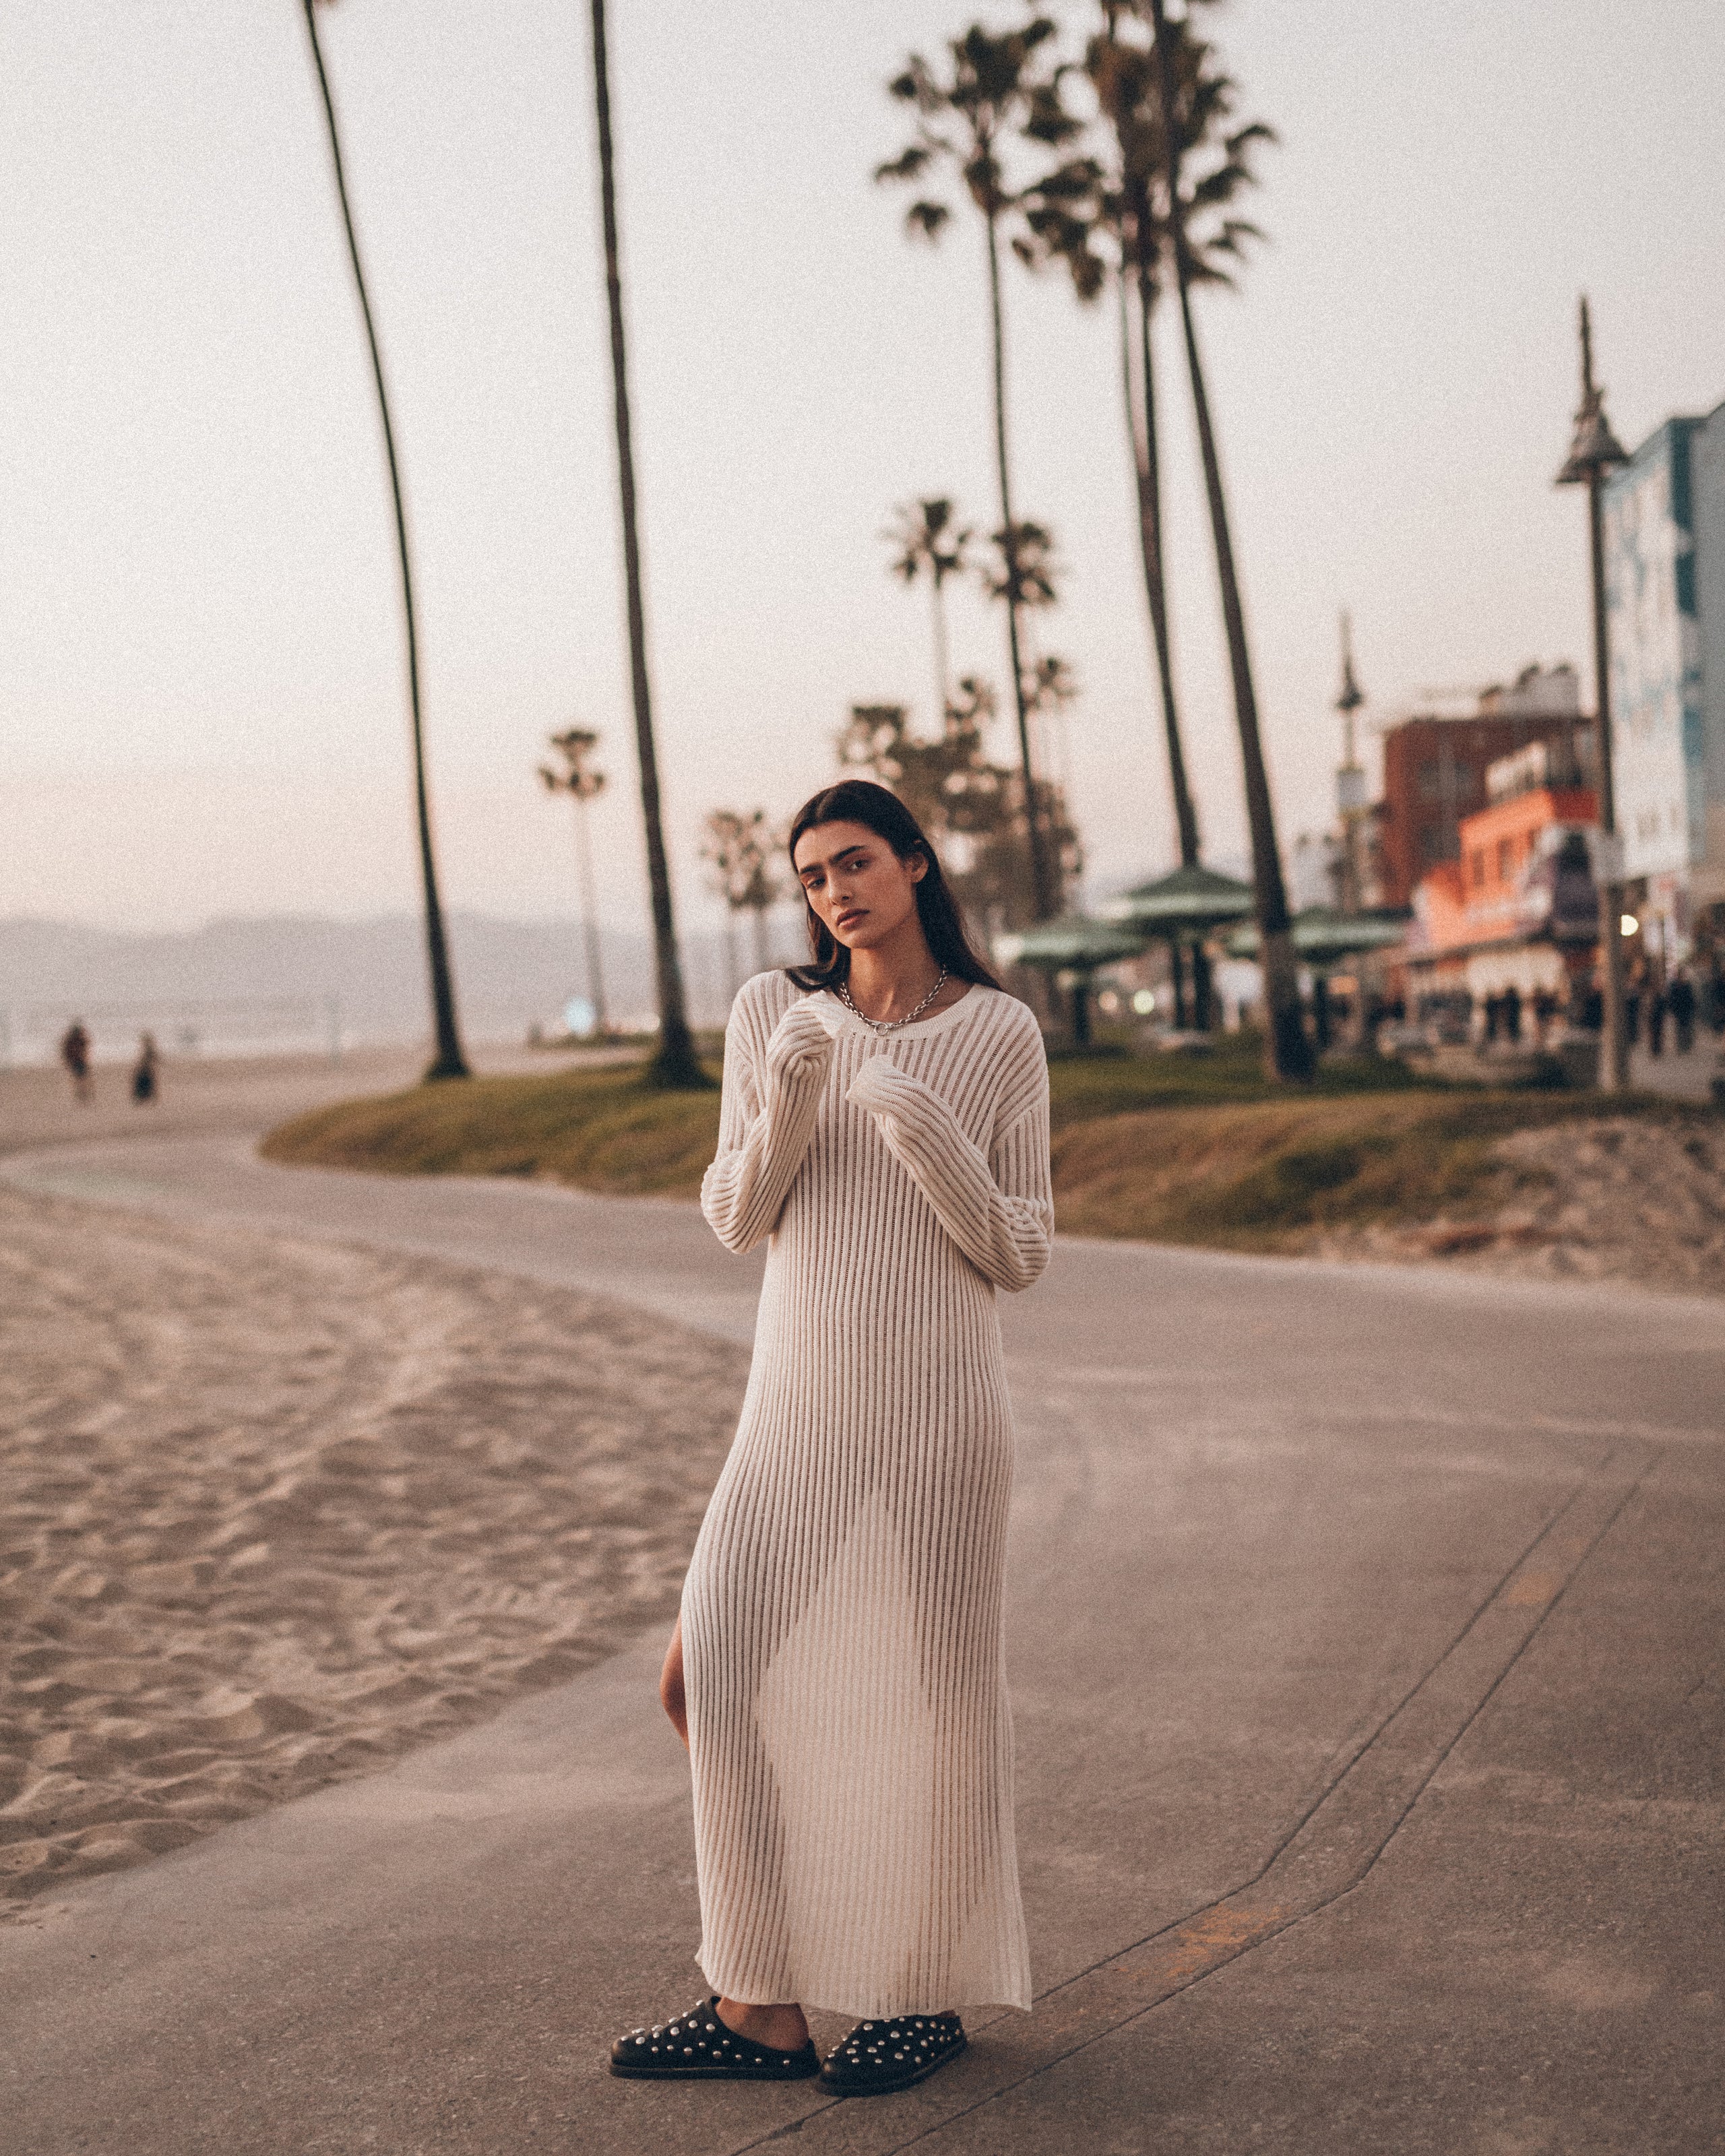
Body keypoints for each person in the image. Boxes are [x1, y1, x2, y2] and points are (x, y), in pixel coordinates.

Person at [611, 779, 1051, 2098]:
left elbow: (1018, 1250)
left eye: (854, 862)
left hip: (940, 1420)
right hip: (794, 1411)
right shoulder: (771, 1014)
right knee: (710, 1671)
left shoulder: (1000, 1033)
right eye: (810, 877)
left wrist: (928, 1138)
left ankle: (922, 1988)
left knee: (942, 1691)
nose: (833, 891)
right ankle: (761, 2001)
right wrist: (795, 1098)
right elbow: (735, 1216)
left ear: (915, 866)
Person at [59, 1020, 93, 1103]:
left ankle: (83, 1094)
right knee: (80, 1079)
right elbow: (68, 1051)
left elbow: (85, 1049)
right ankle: (81, 1094)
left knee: (81, 1078)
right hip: (77, 1061)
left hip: (79, 1060)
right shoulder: (74, 1040)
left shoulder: (74, 1040)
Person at [1667, 969, 1697, 1055]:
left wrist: (1692, 1008)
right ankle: (1680, 1046)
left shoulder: (1687, 985)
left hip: (1686, 1010)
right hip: (1679, 1011)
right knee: (1679, 1029)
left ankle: (1686, 1045)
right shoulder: (1675, 986)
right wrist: (1673, 1009)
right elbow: (1672, 999)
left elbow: (1691, 998)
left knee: (1687, 1028)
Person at [131, 1032, 160, 1105]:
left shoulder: (149, 1050)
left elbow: (156, 1058)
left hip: (146, 1071)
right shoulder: (149, 1050)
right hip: (144, 1070)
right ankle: (143, 1099)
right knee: (145, 1085)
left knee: (145, 1085)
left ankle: (144, 1099)